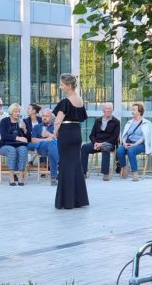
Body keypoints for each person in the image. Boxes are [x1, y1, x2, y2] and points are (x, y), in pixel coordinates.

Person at [52, 73, 89, 209]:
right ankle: (79, 200)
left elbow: (57, 121)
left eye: (62, 85)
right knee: (75, 165)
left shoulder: (65, 102)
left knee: (65, 165)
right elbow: (82, 117)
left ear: (68, 86)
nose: (60, 87)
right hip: (76, 132)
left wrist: (54, 133)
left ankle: (66, 201)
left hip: (66, 133)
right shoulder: (79, 100)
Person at [81, 102, 120, 181]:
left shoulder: (116, 122)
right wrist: (95, 143)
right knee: (84, 147)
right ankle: (83, 172)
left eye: (110, 109)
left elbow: (115, 137)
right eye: (106, 108)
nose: (108, 110)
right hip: (96, 143)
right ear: (103, 110)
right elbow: (92, 135)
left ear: (112, 110)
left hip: (109, 143)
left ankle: (105, 174)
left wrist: (102, 144)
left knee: (105, 147)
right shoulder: (98, 120)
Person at [116, 103, 152, 181]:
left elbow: (144, 138)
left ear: (140, 111)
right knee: (119, 151)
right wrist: (124, 143)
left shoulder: (146, 123)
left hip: (140, 144)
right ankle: (124, 167)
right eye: (132, 110)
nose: (132, 111)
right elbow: (124, 135)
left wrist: (134, 144)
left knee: (131, 151)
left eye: (134, 110)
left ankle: (134, 172)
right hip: (128, 142)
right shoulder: (129, 122)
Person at [0, 103, 31, 186]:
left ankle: (21, 176)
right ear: (11, 112)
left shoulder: (22, 122)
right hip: (5, 145)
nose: (18, 113)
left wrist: (24, 130)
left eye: (19, 111)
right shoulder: (4, 121)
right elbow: (4, 135)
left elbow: (28, 138)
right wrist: (18, 138)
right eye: (15, 111)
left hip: (19, 146)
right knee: (12, 150)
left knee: (23, 149)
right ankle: (11, 176)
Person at [31, 109, 59, 185]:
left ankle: (53, 178)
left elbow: (59, 138)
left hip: (53, 148)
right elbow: (33, 140)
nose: (44, 117)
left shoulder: (55, 127)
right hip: (41, 148)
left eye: (47, 116)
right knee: (51, 144)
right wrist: (46, 139)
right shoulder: (37, 127)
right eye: (43, 116)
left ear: (51, 117)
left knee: (51, 151)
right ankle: (61, 164)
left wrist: (49, 134)